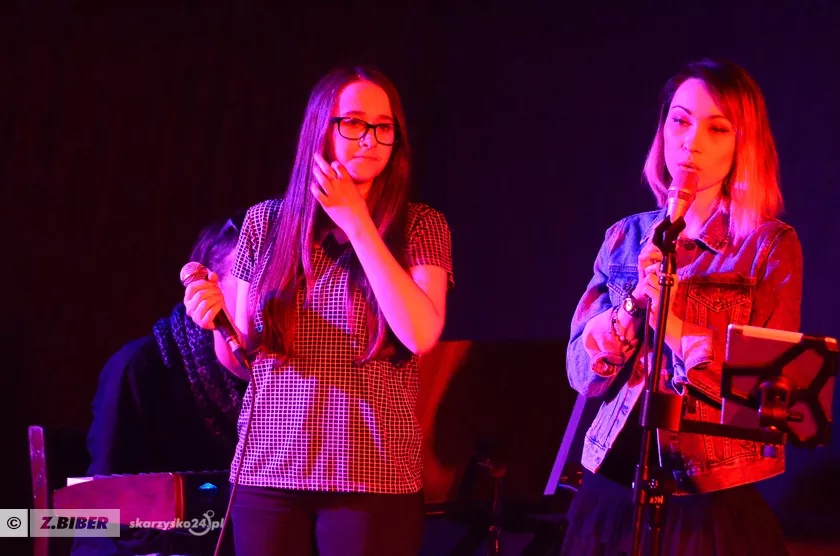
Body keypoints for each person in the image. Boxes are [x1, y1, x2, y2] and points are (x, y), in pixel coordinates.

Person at [183, 64, 454, 556]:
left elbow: (420, 333)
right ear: (320, 128)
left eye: (384, 127)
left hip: (372, 474)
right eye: (353, 122)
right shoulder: (265, 223)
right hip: (270, 471)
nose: (369, 138)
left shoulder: (420, 226)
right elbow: (244, 361)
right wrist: (214, 319)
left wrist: (358, 225)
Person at [562, 58, 802, 556]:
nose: (691, 141)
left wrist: (672, 324)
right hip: (611, 488)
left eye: (717, 128)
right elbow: (582, 376)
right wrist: (628, 311)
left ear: (742, 145)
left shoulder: (767, 246)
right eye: (680, 120)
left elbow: (768, 401)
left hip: (706, 498)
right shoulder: (626, 235)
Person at [72, 214, 247, 556]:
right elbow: (99, 515)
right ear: (205, 290)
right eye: (259, 286)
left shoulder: (288, 380)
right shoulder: (140, 368)